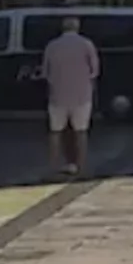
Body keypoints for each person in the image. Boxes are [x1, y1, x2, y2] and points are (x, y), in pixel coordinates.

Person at [41, 17, 99, 178]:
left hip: (57, 96)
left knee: (55, 132)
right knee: (81, 132)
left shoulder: (52, 46)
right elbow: (94, 71)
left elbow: (45, 71)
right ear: (77, 27)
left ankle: (53, 167)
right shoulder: (87, 44)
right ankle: (80, 167)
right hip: (82, 95)